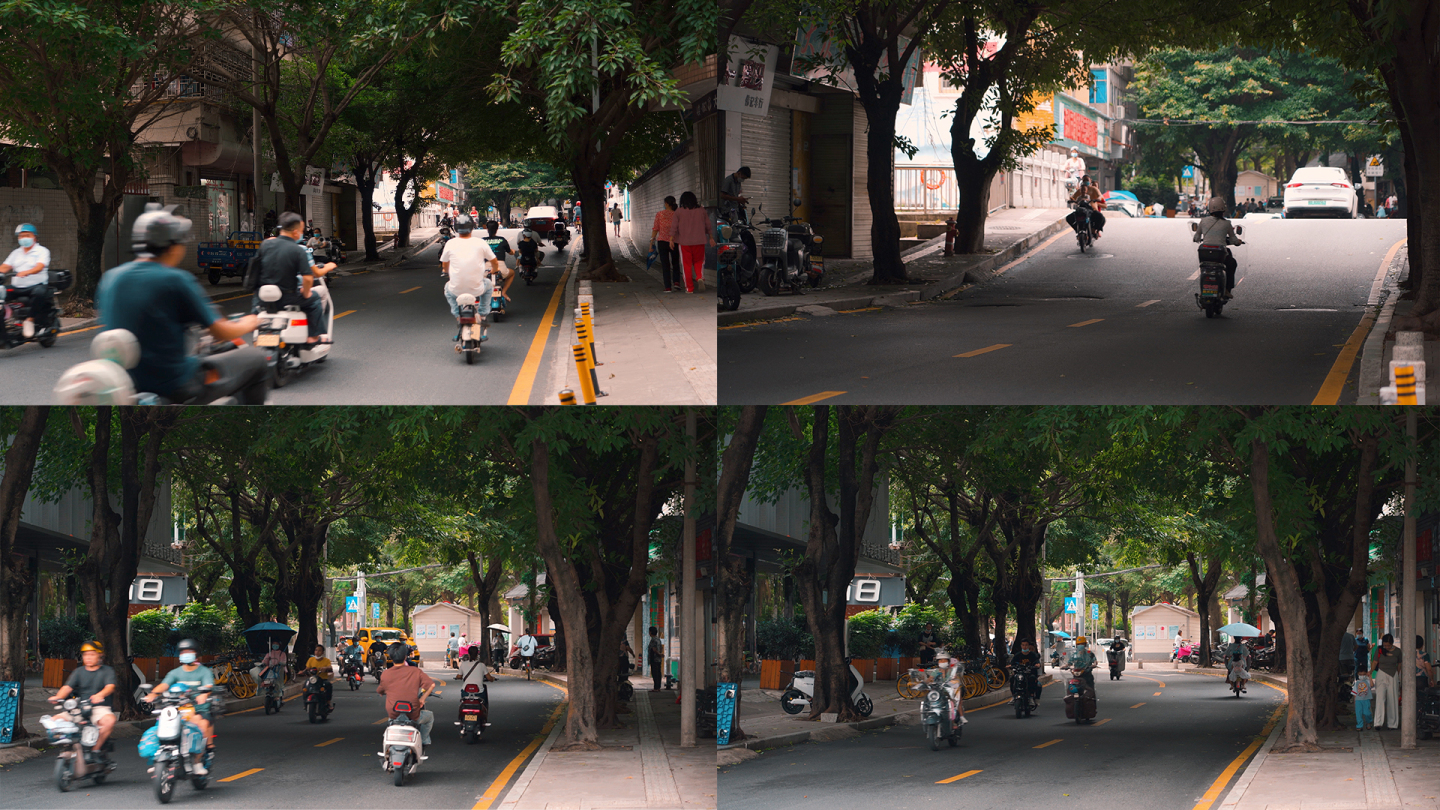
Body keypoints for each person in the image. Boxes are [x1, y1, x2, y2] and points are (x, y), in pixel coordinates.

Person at [96, 204, 268, 403]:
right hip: (175, 385)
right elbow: (221, 332)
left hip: (126, 386)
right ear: (172, 245)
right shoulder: (175, 279)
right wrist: (251, 321)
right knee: (257, 359)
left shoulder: (110, 278)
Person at [255, 211, 334, 343]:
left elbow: (256, 271)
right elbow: (308, 278)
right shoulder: (298, 250)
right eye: (302, 230)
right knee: (314, 299)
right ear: (296, 232)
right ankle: (313, 336)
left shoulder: (266, 245)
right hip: (287, 297)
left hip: (262, 298)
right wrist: (307, 292)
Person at [146, 639, 215, 775]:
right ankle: (159, 759)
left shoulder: (204, 671)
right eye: (183, 652)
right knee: (160, 726)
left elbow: (208, 686)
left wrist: (204, 694)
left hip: (199, 710)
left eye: (189, 651)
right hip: (178, 709)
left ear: (196, 654)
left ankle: (197, 762)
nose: (185, 654)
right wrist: (153, 694)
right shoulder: (175, 672)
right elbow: (164, 685)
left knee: (200, 726)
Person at [439, 214, 499, 342]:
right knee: (489, 285)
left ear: (455, 228)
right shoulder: (480, 242)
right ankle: (482, 313)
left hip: (456, 289)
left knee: (447, 289)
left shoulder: (450, 243)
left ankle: (457, 315)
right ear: (472, 227)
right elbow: (494, 260)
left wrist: (445, 270)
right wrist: (495, 269)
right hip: (477, 289)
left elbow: (444, 263)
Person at [50, 640, 117, 753]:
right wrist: (57, 697)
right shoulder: (78, 671)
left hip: (99, 707)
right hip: (79, 707)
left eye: (92, 654)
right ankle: (70, 747)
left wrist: (100, 695)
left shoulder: (107, 671)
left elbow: (110, 687)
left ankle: (95, 750)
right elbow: (67, 687)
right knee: (54, 721)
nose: (88, 657)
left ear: (100, 655)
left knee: (110, 721)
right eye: (85, 655)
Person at [0, 223, 54, 338]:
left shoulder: (42, 251)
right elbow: (5, 267)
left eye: (27, 235)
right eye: (21, 236)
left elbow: (40, 266)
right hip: (17, 287)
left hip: (36, 285)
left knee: (39, 293)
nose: (24, 238)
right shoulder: (16, 253)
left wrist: (27, 272)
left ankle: (29, 320)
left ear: (34, 237)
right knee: (1, 291)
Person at [377, 642, 435, 746]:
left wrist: (381, 692)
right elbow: (431, 685)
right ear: (405, 656)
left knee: (391, 721)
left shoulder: (386, 674)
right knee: (429, 717)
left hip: (394, 715)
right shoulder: (415, 671)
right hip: (413, 714)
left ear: (390, 657)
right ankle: (423, 741)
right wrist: (422, 699)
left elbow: (381, 689)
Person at [1193, 196, 1244, 299]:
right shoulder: (1227, 223)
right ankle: (1227, 289)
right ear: (1223, 210)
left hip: (1204, 253)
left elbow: (1196, 238)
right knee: (1232, 263)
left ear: (1210, 209)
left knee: (1204, 268)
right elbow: (1233, 240)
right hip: (1219, 254)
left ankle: (1203, 290)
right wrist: (1238, 242)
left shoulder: (1203, 221)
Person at [665, 191, 712, 294]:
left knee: (686, 265)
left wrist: (671, 239)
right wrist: (711, 237)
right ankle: (699, 277)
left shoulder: (678, 211)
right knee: (699, 261)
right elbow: (708, 224)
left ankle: (689, 288)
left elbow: (674, 227)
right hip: (699, 241)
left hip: (684, 242)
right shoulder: (701, 210)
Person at [1370, 633, 1401, 729]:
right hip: (1381, 674)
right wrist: (1370, 672)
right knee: (1380, 698)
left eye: (1388, 645)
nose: (1386, 647)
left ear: (1392, 643)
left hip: (1393, 675)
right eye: (1385, 645)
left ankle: (1392, 724)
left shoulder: (1398, 651)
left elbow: (1399, 663)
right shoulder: (1379, 650)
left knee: (1393, 699)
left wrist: (1397, 673)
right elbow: (1375, 662)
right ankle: (1378, 723)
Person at [651, 196, 681, 293]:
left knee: (665, 264)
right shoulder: (677, 214)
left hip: (662, 241)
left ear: (667, 203)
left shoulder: (659, 214)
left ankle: (667, 286)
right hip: (675, 241)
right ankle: (676, 282)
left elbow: (655, 228)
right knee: (675, 262)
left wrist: (652, 240)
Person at [481, 221, 515, 303]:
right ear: (497, 229)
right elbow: (510, 252)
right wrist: (513, 252)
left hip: (486, 269)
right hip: (501, 268)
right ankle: (503, 292)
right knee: (512, 273)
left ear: (487, 229)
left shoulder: (482, 241)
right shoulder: (502, 240)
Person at [453, 644, 491, 717]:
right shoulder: (481, 665)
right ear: (477, 654)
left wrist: (459, 677)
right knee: (484, 701)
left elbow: (458, 676)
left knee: (462, 702)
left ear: (468, 654)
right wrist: (492, 679)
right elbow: (489, 678)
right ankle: (485, 713)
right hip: (479, 692)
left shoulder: (463, 664)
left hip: (466, 692)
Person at [304, 644, 335, 712]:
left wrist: (325, 668)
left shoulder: (326, 660)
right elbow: (307, 668)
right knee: (305, 686)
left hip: (322, 680)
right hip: (313, 680)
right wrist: (303, 672)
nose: (317, 652)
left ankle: (328, 702)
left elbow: (330, 668)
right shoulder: (311, 659)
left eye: (319, 650)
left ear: (323, 652)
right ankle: (305, 701)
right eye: (316, 650)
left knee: (328, 685)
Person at [1012, 638, 1044, 704]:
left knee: (1032, 679)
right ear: (1021, 646)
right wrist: (1010, 666)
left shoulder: (1033, 655)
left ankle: (1031, 697)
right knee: (1012, 679)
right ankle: (1013, 696)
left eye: (1026, 645)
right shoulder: (1017, 655)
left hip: (1030, 673)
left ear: (1029, 646)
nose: (1024, 646)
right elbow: (1012, 663)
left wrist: (1037, 665)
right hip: (1020, 673)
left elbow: (1037, 662)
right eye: (1023, 645)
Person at [647, 625, 664, 691]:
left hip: (654, 659)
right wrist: (660, 654)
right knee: (658, 673)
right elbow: (661, 648)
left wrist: (659, 654)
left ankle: (656, 687)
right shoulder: (658, 639)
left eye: (649, 631)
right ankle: (658, 687)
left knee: (655, 673)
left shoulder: (653, 640)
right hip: (658, 659)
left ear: (651, 632)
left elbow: (654, 649)